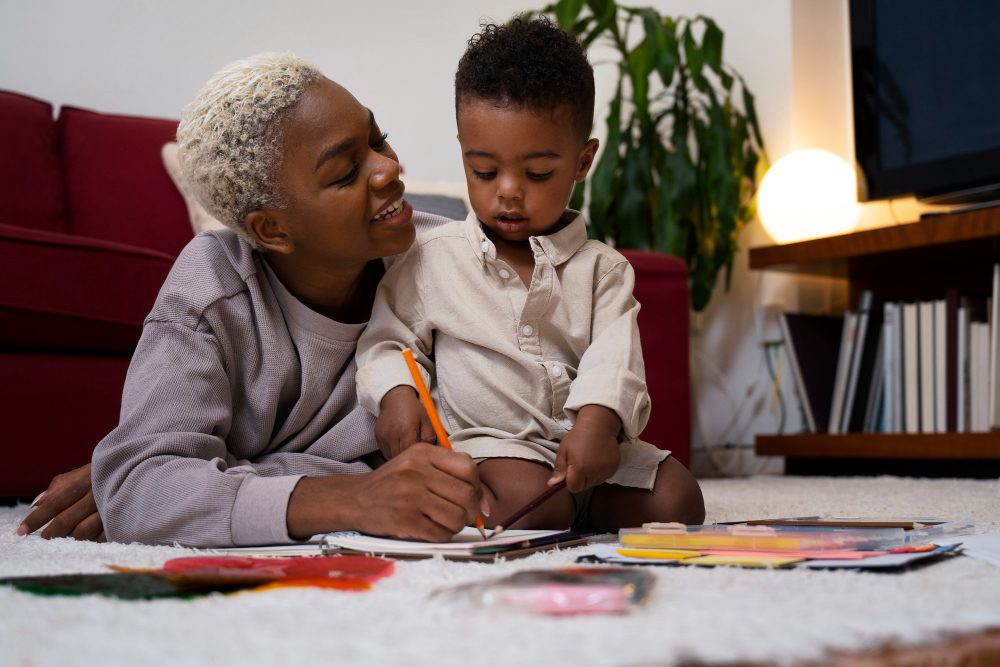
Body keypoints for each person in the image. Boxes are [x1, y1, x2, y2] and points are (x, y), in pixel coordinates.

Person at [18, 52, 489, 547]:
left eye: (378, 138)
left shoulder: (452, 261)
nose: (390, 168)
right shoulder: (210, 289)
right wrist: (357, 496)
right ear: (273, 229)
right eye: (347, 171)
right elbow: (139, 490)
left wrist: (223, 477)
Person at [355, 17, 704, 532]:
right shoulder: (432, 258)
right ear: (464, 153)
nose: (509, 191)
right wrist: (397, 395)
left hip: (588, 450)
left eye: (538, 173)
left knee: (681, 498)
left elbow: (616, 360)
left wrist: (599, 423)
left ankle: (581, 508)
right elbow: (387, 340)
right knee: (529, 498)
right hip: (494, 448)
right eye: (485, 171)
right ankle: (546, 512)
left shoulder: (603, 270)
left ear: (583, 161)